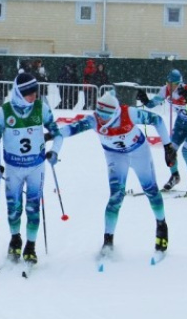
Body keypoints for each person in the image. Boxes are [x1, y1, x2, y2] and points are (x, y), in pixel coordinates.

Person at [57, 92, 177, 255]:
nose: (102, 119)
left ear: (114, 112)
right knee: (115, 197)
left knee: (151, 190)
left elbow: (157, 120)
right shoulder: (94, 119)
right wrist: (48, 136)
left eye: (106, 116)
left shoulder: (129, 113)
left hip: (138, 152)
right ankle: (108, 241)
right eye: (100, 115)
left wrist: (168, 147)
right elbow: (70, 129)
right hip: (115, 156)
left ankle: (161, 226)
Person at [0, 72, 64, 265]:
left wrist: (54, 152)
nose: (33, 96)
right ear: (19, 92)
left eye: (35, 91)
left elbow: (57, 134)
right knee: (13, 208)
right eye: (28, 93)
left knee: (33, 207)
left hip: (35, 167)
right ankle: (15, 240)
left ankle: (30, 246)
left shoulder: (41, 108)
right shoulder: (5, 111)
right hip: (13, 168)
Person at [137, 69, 187, 195]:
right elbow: (152, 104)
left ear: (178, 83)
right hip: (180, 124)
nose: (169, 86)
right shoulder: (166, 90)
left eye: (172, 84)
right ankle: (175, 176)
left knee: (186, 152)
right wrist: (145, 100)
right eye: (168, 83)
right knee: (170, 150)